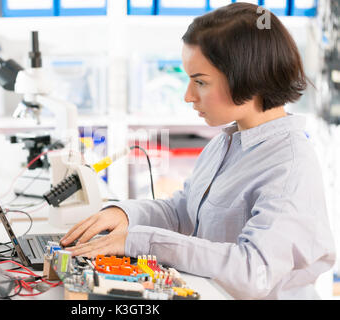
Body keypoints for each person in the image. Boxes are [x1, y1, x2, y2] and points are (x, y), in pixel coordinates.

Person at [60, 3, 336, 299]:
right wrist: (125, 215)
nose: (188, 96)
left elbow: (252, 271)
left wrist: (143, 241)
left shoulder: (290, 167)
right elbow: (184, 210)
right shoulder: (228, 142)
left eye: (200, 82)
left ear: (250, 76)